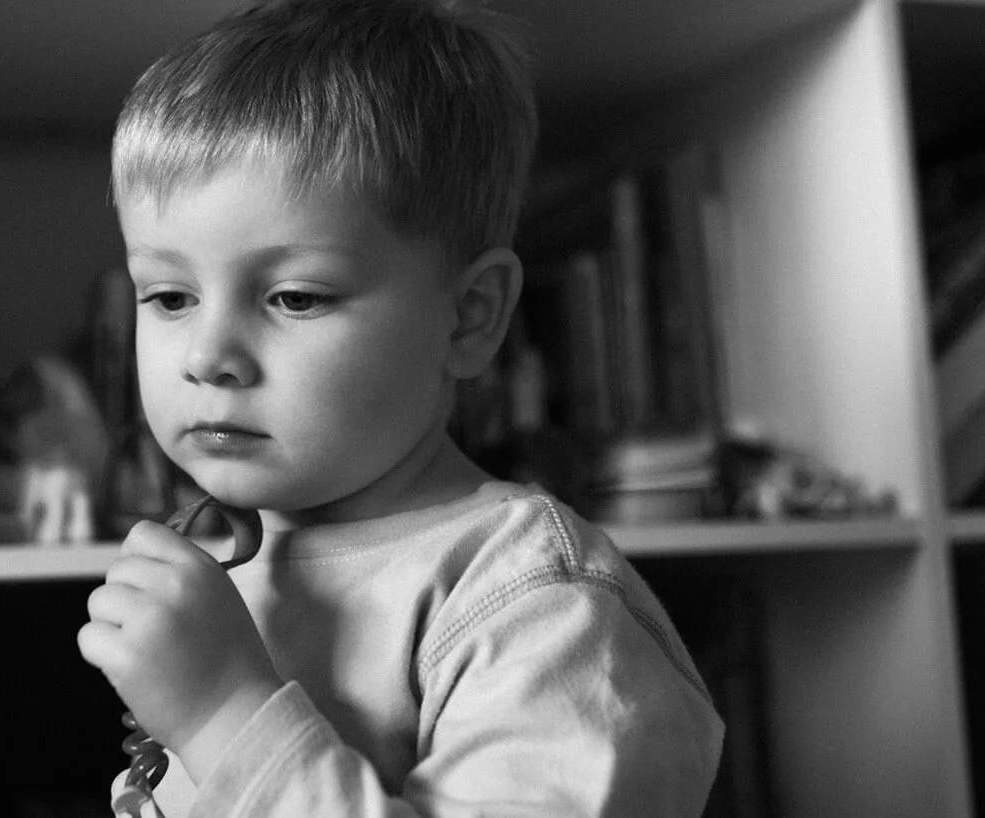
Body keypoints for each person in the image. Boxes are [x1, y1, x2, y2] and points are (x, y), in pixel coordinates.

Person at [76, 0, 725, 814]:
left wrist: (226, 717)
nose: (208, 357)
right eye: (170, 296)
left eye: (294, 297)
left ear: (471, 314)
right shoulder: (238, 567)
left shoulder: (540, 605)